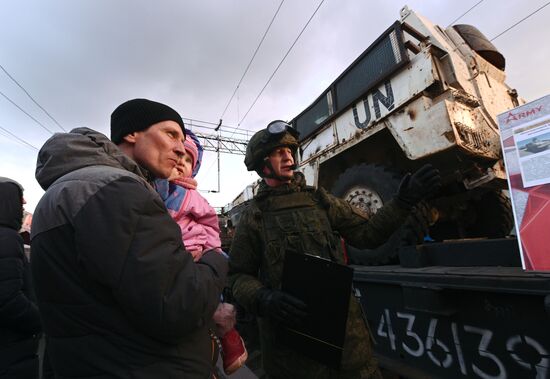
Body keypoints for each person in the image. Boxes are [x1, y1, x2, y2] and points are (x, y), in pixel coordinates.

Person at [31, 98, 228, 378]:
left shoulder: (71, 188)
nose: (179, 147)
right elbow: (179, 305)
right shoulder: (118, 190)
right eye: (170, 133)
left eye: (182, 140)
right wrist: (214, 259)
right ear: (131, 133)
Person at [228, 120, 441, 379]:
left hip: (349, 344)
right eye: (277, 152)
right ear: (263, 163)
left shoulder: (320, 200)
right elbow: (238, 276)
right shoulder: (254, 217)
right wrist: (264, 298)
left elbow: (367, 235)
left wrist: (402, 202)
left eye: (289, 151)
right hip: (293, 354)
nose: (287, 157)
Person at [154, 129, 248, 375]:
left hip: (195, 251)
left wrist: (211, 250)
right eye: (178, 157)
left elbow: (209, 225)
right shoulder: (157, 187)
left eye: (188, 161)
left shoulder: (193, 197)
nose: (181, 164)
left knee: (211, 302)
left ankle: (230, 341)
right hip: (173, 254)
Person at [0, 177, 41, 379]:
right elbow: (7, 299)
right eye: (19, 197)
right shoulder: (6, 237)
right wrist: (39, 320)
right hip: (10, 351)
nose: (24, 203)